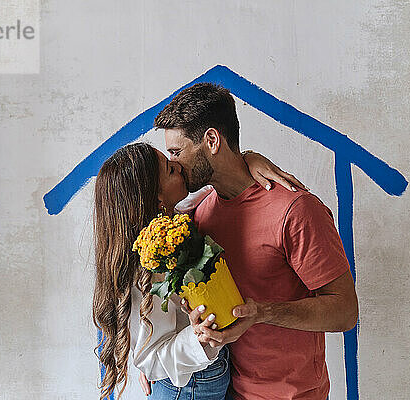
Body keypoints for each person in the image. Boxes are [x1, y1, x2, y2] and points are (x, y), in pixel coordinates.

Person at [153, 82, 359, 400]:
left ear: (211, 140)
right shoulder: (199, 215)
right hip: (227, 391)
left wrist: (261, 313)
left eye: (176, 153)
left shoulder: (295, 210)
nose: (174, 164)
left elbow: (345, 312)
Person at [92, 142, 306, 400]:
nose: (180, 168)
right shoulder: (140, 271)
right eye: (171, 170)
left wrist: (247, 159)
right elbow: (151, 360)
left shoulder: (175, 217)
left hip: (212, 373)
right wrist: (198, 337)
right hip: (189, 387)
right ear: (157, 198)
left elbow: (208, 184)